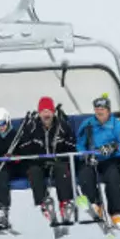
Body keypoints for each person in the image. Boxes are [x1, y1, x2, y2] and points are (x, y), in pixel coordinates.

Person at [75, 93, 120, 229]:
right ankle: (95, 204)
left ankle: (116, 213)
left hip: (109, 159)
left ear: (108, 111)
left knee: (112, 176)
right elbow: (79, 144)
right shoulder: (88, 125)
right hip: (92, 158)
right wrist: (85, 155)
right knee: (85, 174)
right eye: (97, 111)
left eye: (102, 111)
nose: (99, 114)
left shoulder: (117, 125)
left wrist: (114, 147)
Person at [20, 96, 77, 225]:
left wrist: (60, 153)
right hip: (39, 163)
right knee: (34, 171)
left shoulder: (62, 126)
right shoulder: (32, 127)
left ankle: (65, 203)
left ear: (53, 112)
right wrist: (35, 153)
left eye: (48, 111)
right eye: (43, 111)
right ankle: (44, 202)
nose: (46, 114)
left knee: (62, 168)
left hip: (57, 161)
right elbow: (23, 147)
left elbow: (72, 145)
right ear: (39, 113)